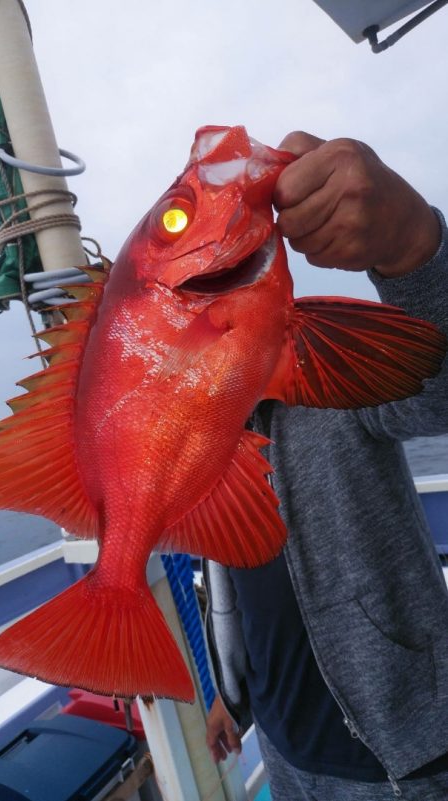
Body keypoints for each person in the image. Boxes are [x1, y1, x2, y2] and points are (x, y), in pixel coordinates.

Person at [203, 132, 448, 801]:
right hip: (281, 748)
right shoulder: (209, 438)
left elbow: (439, 389)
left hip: (398, 756)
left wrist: (410, 245)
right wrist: (232, 695)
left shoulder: (331, 373)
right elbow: (235, 586)